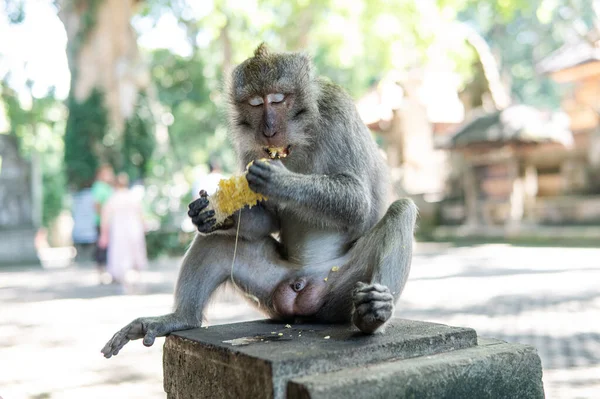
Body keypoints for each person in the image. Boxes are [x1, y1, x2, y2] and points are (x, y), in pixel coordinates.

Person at [98, 173, 148, 286]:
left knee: (120, 252)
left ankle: (120, 275)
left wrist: (103, 233)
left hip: (119, 229)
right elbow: (140, 213)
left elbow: (105, 216)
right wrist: (144, 225)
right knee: (136, 250)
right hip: (134, 227)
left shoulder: (113, 198)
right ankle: (137, 272)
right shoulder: (132, 196)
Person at [91, 164, 114, 278]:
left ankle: (109, 270)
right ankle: (101, 270)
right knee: (102, 246)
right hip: (102, 222)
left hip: (110, 222)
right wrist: (103, 217)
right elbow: (96, 204)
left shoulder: (108, 187)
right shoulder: (99, 187)